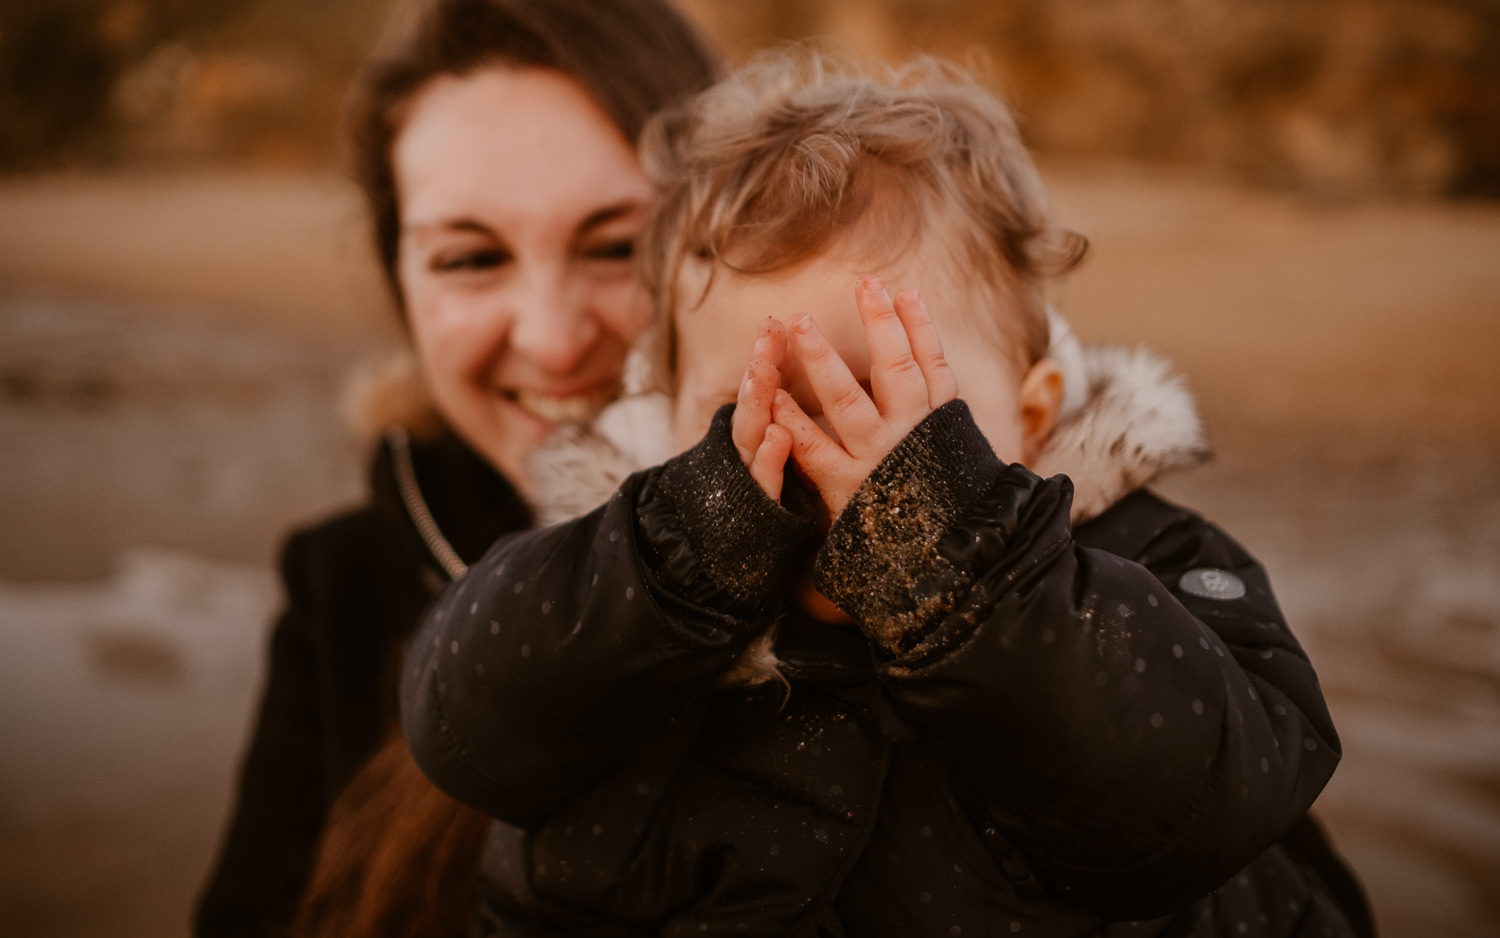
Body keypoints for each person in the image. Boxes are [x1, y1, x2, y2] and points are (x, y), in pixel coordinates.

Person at [402, 53, 1374, 937]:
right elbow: (462, 726)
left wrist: (959, 562)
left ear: (1033, 416)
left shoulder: (1135, 562)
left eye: (887, 402)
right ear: (666, 426)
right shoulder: (625, 575)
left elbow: (1222, 796)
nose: (830, 460)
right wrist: (685, 539)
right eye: (753, 410)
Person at [193, 2, 719, 936]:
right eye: (471, 258)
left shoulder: (925, 580)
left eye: (617, 246)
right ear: (403, 287)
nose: (554, 342)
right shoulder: (340, 585)